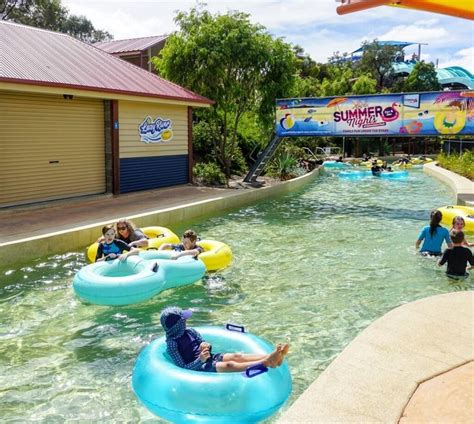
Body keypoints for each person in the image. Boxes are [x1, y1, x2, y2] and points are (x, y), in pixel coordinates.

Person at [160, 306, 290, 373]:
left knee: (237, 356)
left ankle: (270, 357)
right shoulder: (172, 344)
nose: (187, 322)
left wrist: (205, 346)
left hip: (209, 357)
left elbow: (203, 343)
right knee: (230, 365)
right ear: (177, 326)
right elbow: (182, 367)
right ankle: (267, 362)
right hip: (200, 366)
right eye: (184, 321)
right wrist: (201, 360)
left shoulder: (191, 331)